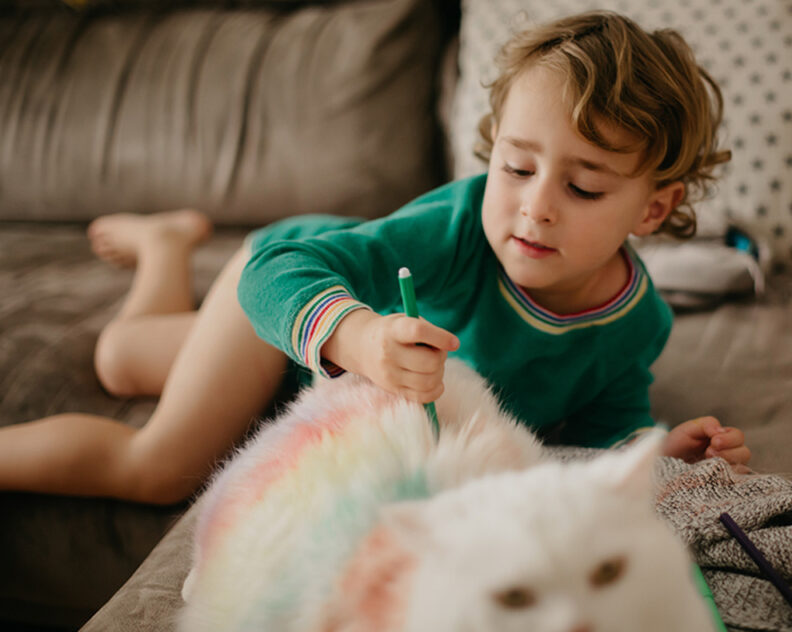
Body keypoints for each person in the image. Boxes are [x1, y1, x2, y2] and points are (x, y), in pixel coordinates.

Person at [0, 11, 750, 505]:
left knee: (121, 359)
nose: (535, 205)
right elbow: (277, 270)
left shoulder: (636, 322)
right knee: (157, 469)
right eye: (517, 168)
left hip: (300, 364)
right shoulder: (457, 230)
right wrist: (355, 336)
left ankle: (162, 247)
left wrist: (656, 452)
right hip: (297, 288)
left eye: (584, 187)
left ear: (652, 208)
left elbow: (594, 427)